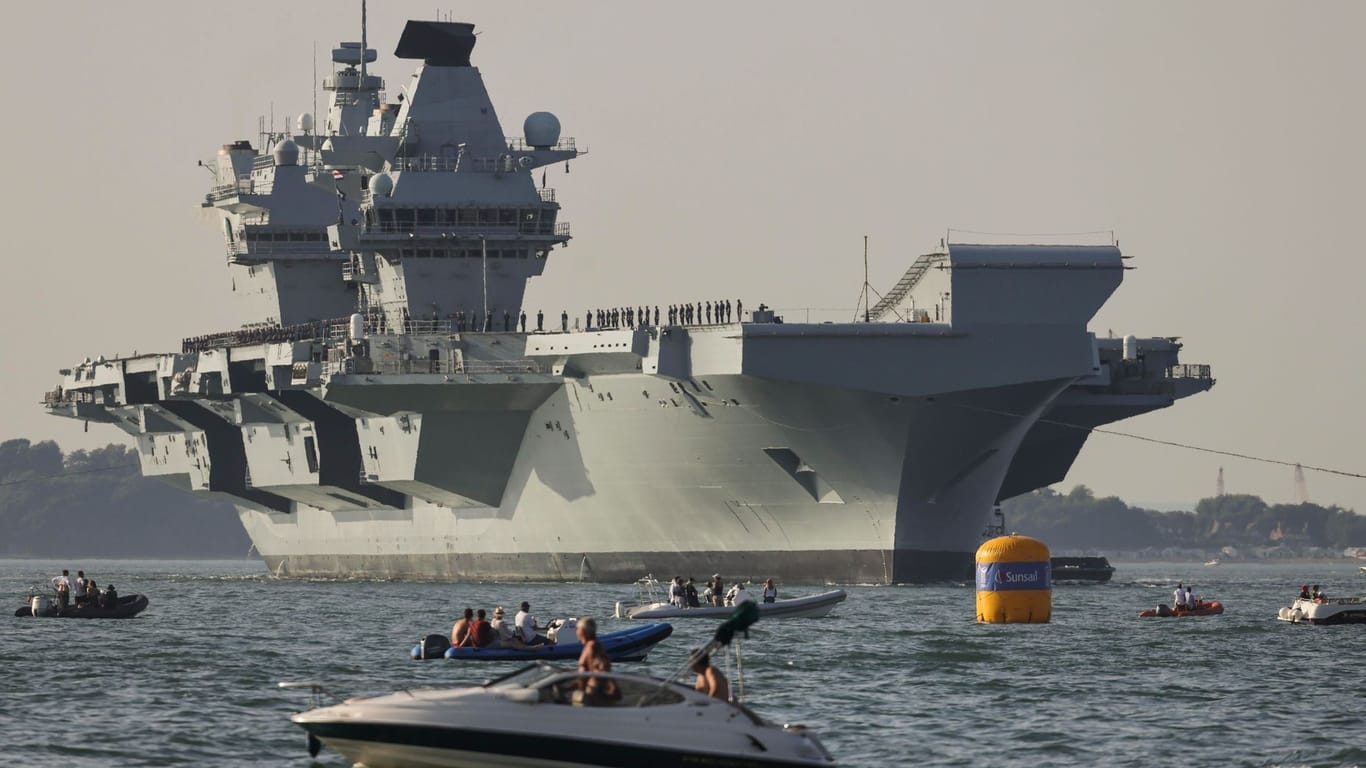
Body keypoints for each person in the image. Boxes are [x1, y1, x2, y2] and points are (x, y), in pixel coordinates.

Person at [576, 617, 618, 704]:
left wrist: (612, 685)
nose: (576, 632)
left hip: (593, 693)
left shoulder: (592, 647)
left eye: (577, 629)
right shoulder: (589, 645)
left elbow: (603, 665)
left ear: (583, 631)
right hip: (588, 691)